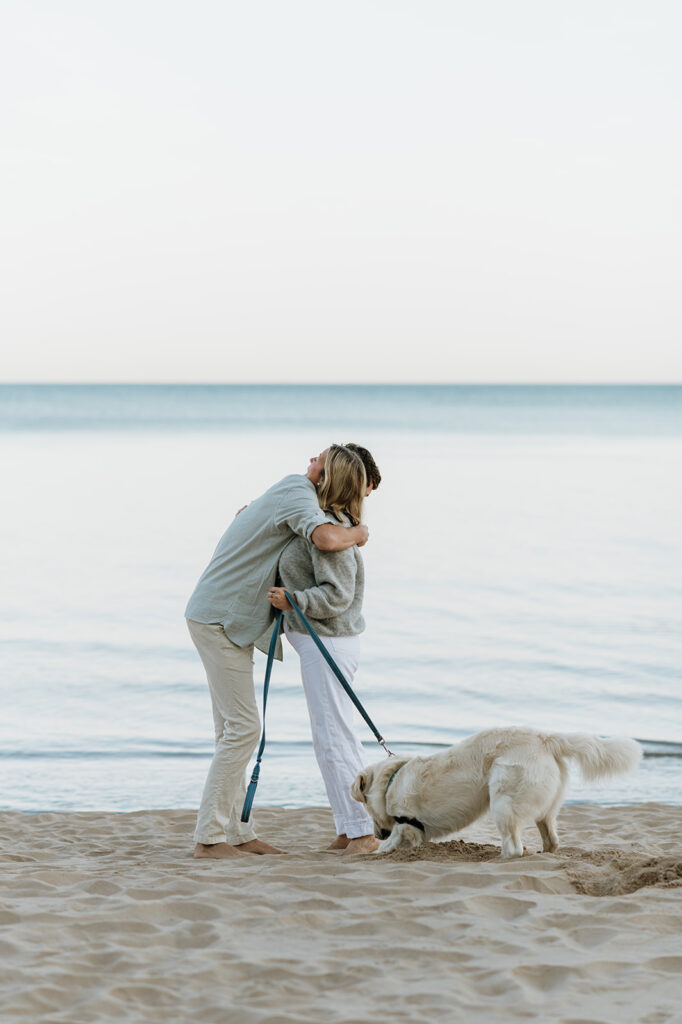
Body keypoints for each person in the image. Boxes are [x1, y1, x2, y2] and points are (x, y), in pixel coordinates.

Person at [185, 445, 377, 859]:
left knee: (244, 731)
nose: (309, 458)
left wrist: (297, 599)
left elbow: (333, 571)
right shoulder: (298, 494)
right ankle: (213, 839)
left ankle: (233, 834)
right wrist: (360, 533)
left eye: (318, 459)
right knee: (242, 730)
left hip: (230, 620)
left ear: (328, 477)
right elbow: (314, 536)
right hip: (220, 619)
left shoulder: (307, 505)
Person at [268, 444, 381, 855]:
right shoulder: (326, 524)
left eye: (318, 464)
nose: (309, 468)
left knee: (334, 739)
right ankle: (350, 827)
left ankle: (363, 833)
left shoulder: (330, 530)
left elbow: (337, 596)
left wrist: (293, 599)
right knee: (333, 738)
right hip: (327, 644)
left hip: (329, 642)